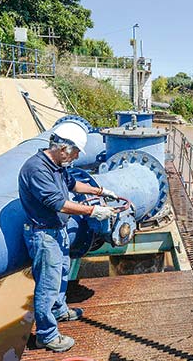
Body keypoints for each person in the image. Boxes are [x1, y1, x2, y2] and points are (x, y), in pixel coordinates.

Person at [18, 121, 118, 352]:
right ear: (63, 148)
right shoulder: (36, 169)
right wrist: (93, 210)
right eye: (74, 153)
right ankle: (47, 335)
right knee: (47, 284)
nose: (75, 157)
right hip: (43, 234)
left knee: (61, 274)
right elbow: (57, 203)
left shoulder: (57, 166)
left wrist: (101, 191)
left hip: (58, 231)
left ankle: (59, 311)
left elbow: (73, 184)